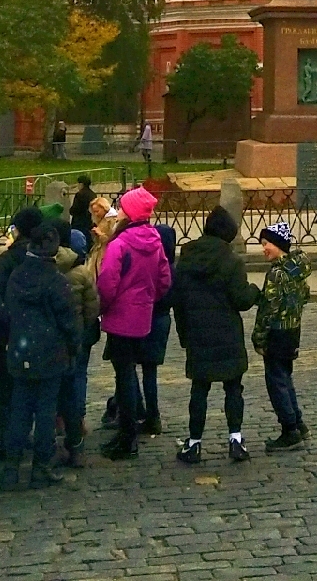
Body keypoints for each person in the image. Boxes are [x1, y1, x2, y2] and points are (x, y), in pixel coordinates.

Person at [0, 207, 80, 490]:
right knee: (45, 411)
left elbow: (7, 309)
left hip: (20, 349)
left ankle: (11, 468)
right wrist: (73, 347)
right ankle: (41, 466)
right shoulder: (56, 281)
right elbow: (69, 321)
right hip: (50, 352)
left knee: (19, 409)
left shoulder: (17, 276)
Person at [170, 206, 260, 463]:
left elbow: (178, 301)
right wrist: (254, 291)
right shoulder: (231, 261)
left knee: (199, 390)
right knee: (233, 388)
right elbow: (241, 300)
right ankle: (235, 439)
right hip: (227, 333)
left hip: (197, 333)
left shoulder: (186, 259)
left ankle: (194, 443)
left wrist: (184, 335)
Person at [96, 187, 174, 460]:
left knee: (125, 377)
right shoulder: (155, 241)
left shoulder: (120, 244)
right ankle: (128, 432)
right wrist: (147, 299)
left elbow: (107, 283)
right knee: (130, 373)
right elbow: (164, 279)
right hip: (142, 316)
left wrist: (104, 307)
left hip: (120, 316)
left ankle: (127, 436)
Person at [252, 222, 311, 451]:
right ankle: (298, 423)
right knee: (285, 378)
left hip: (276, 333)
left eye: (266, 243)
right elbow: (305, 296)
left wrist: (258, 338)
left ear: (278, 245)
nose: (264, 248)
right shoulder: (297, 269)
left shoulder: (276, 273)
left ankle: (289, 430)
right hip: (292, 330)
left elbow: (269, 309)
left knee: (276, 382)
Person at [50, 213, 101, 468]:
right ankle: (76, 425)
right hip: (77, 335)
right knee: (77, 379)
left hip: (50, 339)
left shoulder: (44, 268)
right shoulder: (81, 272)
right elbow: (93, 307)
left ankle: (55, 426)